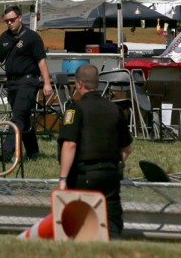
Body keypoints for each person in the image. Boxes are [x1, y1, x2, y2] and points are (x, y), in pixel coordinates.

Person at [57, 64, 133, 239]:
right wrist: (114, 165)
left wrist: (62, 178)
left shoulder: (75, 109)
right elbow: (127, 148)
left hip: (84, 175)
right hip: (111, 175)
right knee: (112, 225)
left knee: (82, 226)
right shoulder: (115, 109)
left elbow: (70, 144)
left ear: (79, 84)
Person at [0, 5, 53, 162]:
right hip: (12, 83)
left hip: (28, 81)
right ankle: (33, 152)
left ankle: (7, 152)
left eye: (12, 20)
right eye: (6, 21)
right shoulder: (5, 37)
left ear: (20, 18)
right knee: (24, 117)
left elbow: (41, 61)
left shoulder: (32, 37)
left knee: (18, 117)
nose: (9, 23)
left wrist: (46, 83)